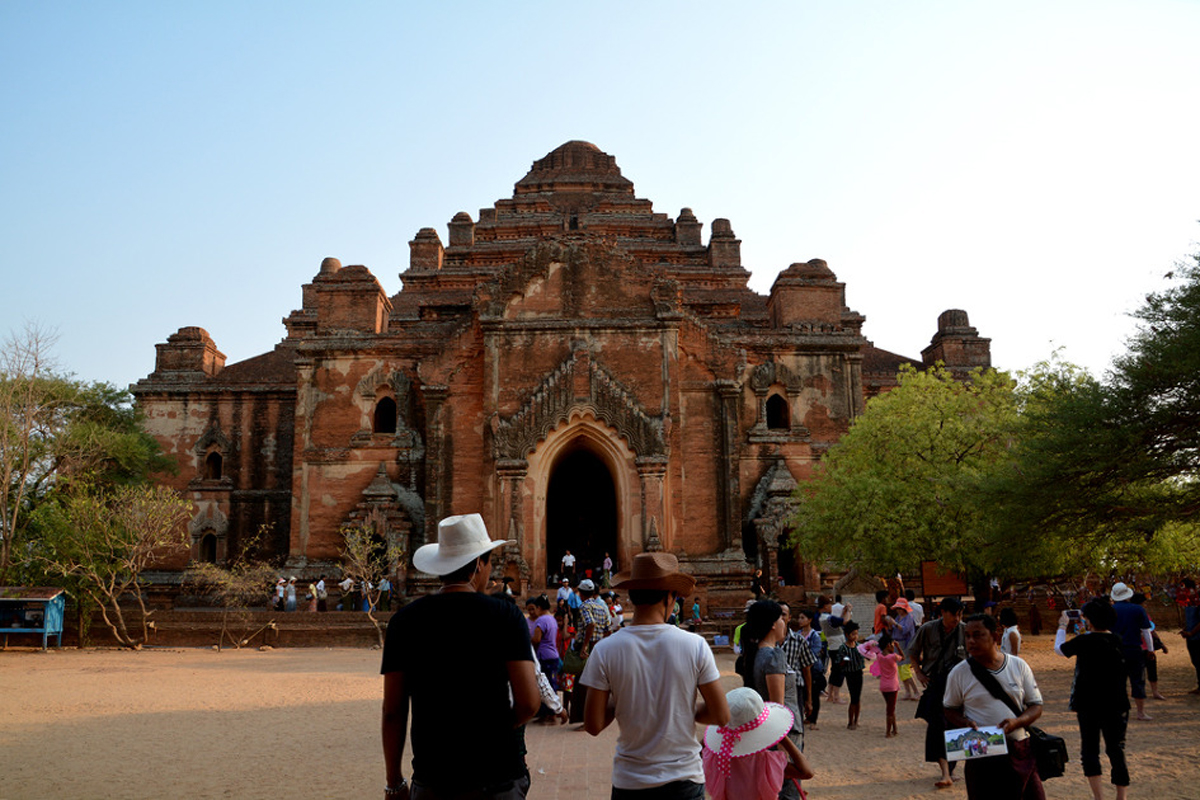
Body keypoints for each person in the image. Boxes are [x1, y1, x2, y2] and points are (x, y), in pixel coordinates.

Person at [381, 513, 539, 800]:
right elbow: (529, 703)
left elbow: (393, 711)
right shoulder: (506, 615)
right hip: (497, 775)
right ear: (479, 565)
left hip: (433, 776)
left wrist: (394, 783)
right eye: (489, 563)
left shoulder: (403, 622)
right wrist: (495, 729)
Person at [581, 552, 729, 799]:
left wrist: (626, 701)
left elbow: (593, 725)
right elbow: (721, 715)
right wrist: (681, 707)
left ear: (631, 595)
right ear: (670, 597)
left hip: (631, 781)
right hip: (684, 778)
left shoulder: (605, 650)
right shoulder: (695, 645)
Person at [944, 613, 1045, 800]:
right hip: (982, 753)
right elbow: (949, 708)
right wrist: (965, 722)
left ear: (995, 636)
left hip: (1020, 749)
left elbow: (1036, 706)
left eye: (978, 635)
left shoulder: (1018, 666)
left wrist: (1017, 722)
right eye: (967, 636)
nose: (971, 641)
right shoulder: (958, 673)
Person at [1055, 599, 1130, 800]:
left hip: (1088, 704)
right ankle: (1121, 796)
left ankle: (1099, 797)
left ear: (1089, 620)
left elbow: (1060, 649)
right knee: (1116, 750)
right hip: (1117, 703)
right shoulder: (1118, 640)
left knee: (1089, 750)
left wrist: (1062, 625)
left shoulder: (1084, 641)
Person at [737, 599, 806, 800]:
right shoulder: (774, 655)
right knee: (786, 790)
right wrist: (783, 749)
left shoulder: (755, 654)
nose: (785, 623)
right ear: (773, 624)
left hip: (768, 732)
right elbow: (778, 708)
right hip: (783, 734)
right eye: (781, 618)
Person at [702, 687, 814, 800]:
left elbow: (701, 747)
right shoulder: (767, 762)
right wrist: (782, 736)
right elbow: (806, 772)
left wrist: (717, 736)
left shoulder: (715, 757)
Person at [908, 597, 966, 789]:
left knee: (955, 727)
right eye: (953, 615)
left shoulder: (965, 630)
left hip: (958, 688)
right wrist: (919, 673)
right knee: (938, 726)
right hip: (935, 685)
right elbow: (913, 652)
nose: (957, 619)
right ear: (942, 613)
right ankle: (945, 772)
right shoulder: (928, 629)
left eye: (960, 615)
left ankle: (951, 769)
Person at [1109, 582, 1155, 720]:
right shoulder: (1138, 609)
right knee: (1137, 680)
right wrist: (1151, 649)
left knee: (1117, 681)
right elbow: (1146, 631)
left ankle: (1117, 711)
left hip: (1114, 650)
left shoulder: (1110, 610)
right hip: (1134, 649)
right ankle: (1140, 712)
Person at [570, 579, 612, 724]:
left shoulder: (584, 606)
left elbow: (591, 624)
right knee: (596, 682)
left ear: (581, 594)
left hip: (588, 648)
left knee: (582, 684)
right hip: (599, 647)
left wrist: (584, 646)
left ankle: (584, 719)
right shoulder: (601, 606)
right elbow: (608, 629)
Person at [859, 631, 903, 737]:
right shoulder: (893, 657)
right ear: (888, 645)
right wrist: (898, 647)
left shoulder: (879, 656)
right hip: (892, 686)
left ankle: (894, 729)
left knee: (890, 708)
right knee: (890, 710)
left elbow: (870, 650)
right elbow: (903, 657)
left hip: (883, 686)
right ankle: (888, 732)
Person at [834, 621, 865, 729]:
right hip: (850, 674)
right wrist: (844, 661)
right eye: (853, 634)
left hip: (858, 673)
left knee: (857, 697)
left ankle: (856, 720)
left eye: (856, 634)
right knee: (853, 697)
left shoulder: (859, 646)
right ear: (847, 635)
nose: (855, 636)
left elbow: (864, 657)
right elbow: (839, 662)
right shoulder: (843, 648)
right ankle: (851, 721)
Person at [891, 597, 921, 701]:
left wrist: (894, 624)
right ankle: (908, 692)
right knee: (900, 669)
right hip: (897, 644)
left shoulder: (908, 617)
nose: (898, 610)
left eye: (900, 608)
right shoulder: (898, 617)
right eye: (897, 608)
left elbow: (905, 630)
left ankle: (916, 691)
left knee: (905, 669)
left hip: (906, 644)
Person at [1179, 577, 1200, 694]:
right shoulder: (1188, 603)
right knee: (1196, 661)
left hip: (1197, 637)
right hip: (1191, 637)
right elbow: (1191, 620)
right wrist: (1186, 629)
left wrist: (1192, 632)